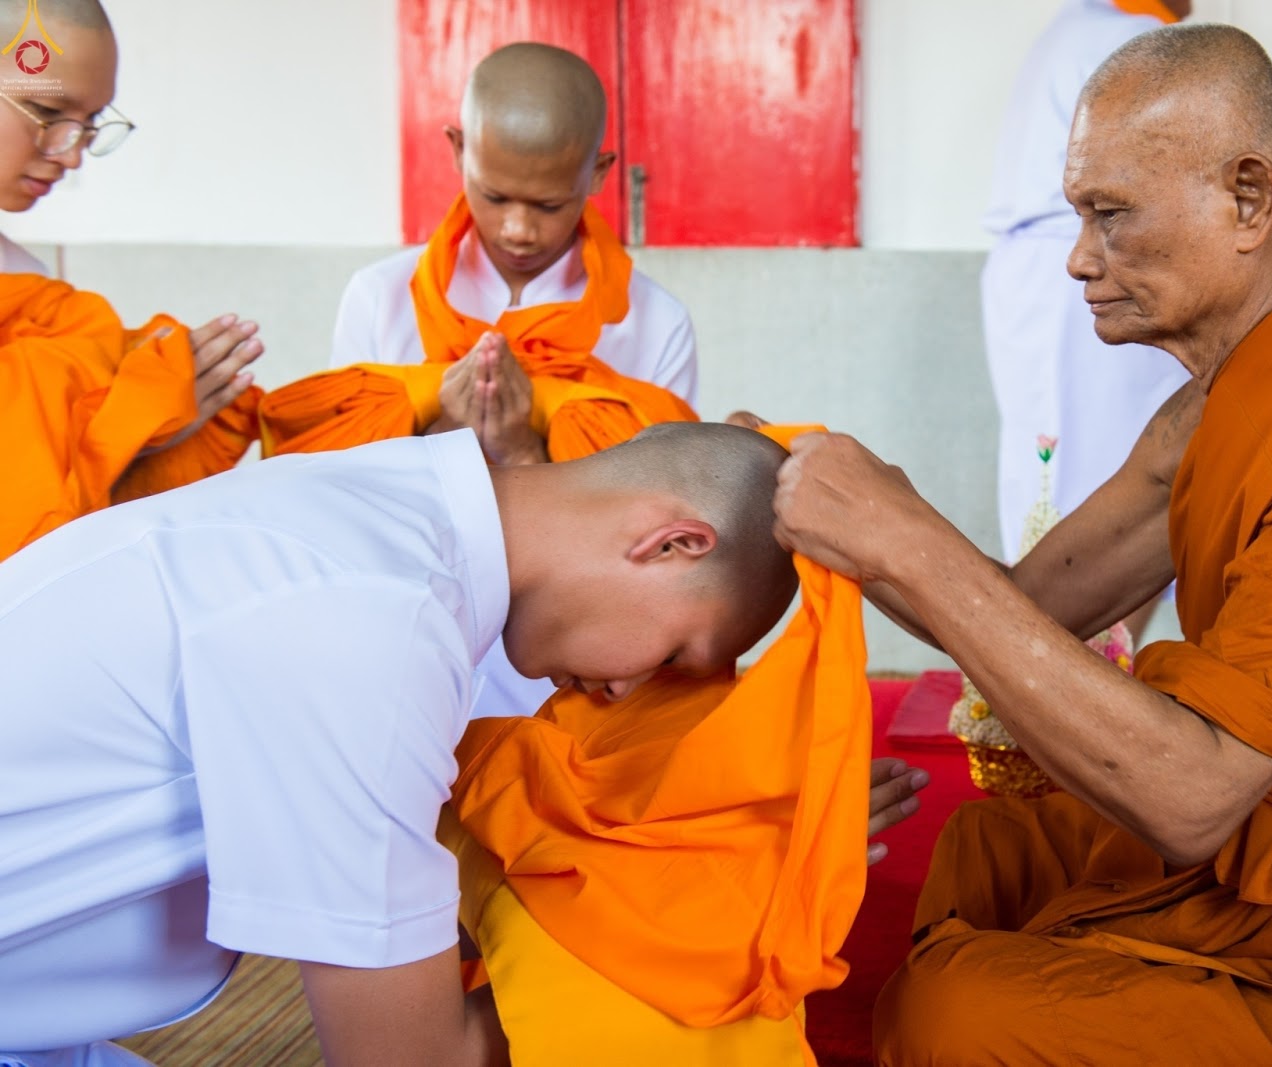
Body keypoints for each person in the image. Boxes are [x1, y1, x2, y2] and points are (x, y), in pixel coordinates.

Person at [771, 23, 1272, 1063]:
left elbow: (1190, 800)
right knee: (994, 849)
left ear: (1248, 199)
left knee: (953, 1014)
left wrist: (903, 539)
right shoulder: (1213, 404)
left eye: (1109, 215)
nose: (1079, 258)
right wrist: (809, 493)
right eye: (1079, 215)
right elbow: (1031, 602)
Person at [0, 421, 798, 1067]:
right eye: (674, 655)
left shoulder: (387, 504)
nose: (629, 690)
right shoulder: (369, 622)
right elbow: (406, 1058)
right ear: (671, 543)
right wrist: (670, 957)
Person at [325, 40, 697, 724]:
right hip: (399, 630)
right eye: (494, 196)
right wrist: (441, 430)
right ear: (457, 149)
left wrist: (527, 452)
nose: (519, 229)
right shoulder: (380, 298)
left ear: (598, 173)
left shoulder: (651, 323)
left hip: (568, 658)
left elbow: (660, 534)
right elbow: (341, 497)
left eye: (550, 204)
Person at [0, 0, 262, 561]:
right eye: (47, 112)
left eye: (90, 125)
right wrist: (115, 431)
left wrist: (133, 434)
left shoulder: (30, 289)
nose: (72, 155)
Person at [982, 0, 1191, 641]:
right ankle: (1070, 670)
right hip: (1095, 265)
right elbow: (1163, 177)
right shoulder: (1135, 38)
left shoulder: (1071, 31)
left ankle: (1062, 663)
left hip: (1041, 274)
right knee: (1118, 489)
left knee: (1058, 477)